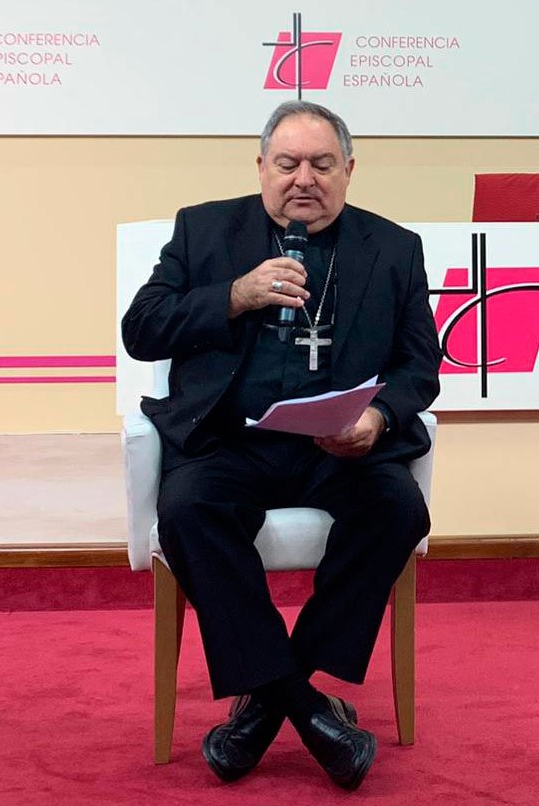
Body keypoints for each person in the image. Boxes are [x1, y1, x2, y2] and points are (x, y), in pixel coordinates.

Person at [122, 101, 440, 790]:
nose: (304, 179)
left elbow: (421, 366)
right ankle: (305, 704)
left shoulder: (393, 248)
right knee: (187, 510)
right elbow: (141, 328)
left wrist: (378, 416)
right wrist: (234, 295)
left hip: (339, 448)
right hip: (231, 443)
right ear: (261, 166)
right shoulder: (204, 230)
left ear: (348, 169)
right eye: (288, 163)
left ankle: (265, 699)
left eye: (322, 164)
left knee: (398, 509)